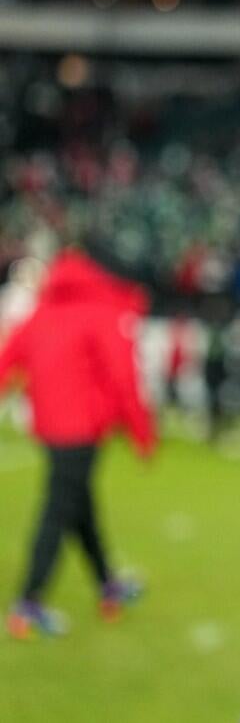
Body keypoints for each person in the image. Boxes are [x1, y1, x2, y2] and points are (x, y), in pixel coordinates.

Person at [0, 249, 154, 639]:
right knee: (58, 510)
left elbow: (8, 358)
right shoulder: (101, 313)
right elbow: (124, 376)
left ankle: (107, 585)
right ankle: (28, 602)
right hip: (83, 431)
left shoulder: (42, 312)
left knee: (80, 507)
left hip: (49, 429)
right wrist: (140, 431)